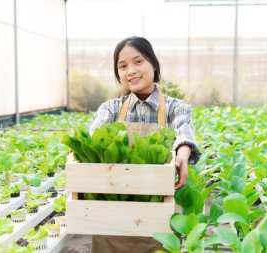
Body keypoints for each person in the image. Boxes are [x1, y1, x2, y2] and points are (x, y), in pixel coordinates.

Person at [88, 36, 201, 253]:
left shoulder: (175, 108)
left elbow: (184, 134)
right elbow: (94, 140)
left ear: (154, 65)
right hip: (112, 216)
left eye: (138, 62)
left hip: (157, 213)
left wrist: (182, 156)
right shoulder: (110, 109)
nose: (131, 70)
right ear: (118, 74)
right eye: (123, 66)